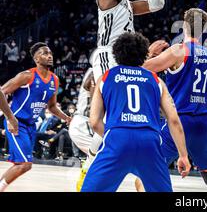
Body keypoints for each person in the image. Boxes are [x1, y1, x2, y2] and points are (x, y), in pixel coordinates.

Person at [79, 0, 167, 190]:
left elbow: (156, 2)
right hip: (108, 55)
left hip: (126, 56)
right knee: (107, 112)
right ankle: (92, 160)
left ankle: (101, 157)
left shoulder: (125, 2)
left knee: (126, 110)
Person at [81, 33, 190, 192]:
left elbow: (95, 121)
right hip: (149, 141)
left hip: (117, 138)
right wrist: (183, 155)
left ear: (116, 53)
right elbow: (173, 120)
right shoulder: (156, 80)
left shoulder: (106, 77)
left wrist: (117, 136)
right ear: (144, 54)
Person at [143, 8, 207, 192]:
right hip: (204, 123)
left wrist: (150, 53)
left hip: (179, 122)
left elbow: (141, 69)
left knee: (145, 174)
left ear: (184, 26)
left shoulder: (178, 51)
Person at [0, 42, 71, 192]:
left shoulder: (55, 80)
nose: (49, 55)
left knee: (22, 165)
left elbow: (51, 107)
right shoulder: (27, 76)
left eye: (50, 52)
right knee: (25, 164)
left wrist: (66, 118)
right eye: (45, 53)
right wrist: (10, 118)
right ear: (36, 59)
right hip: (17, 123)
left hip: (31, 126)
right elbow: (1, 91)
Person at [68, 68, 95, 164]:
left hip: (84, 122)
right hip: (84, 122)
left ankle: (86, 174)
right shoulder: (96, 69)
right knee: (105, 156)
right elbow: (90, 83)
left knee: (96, 159)